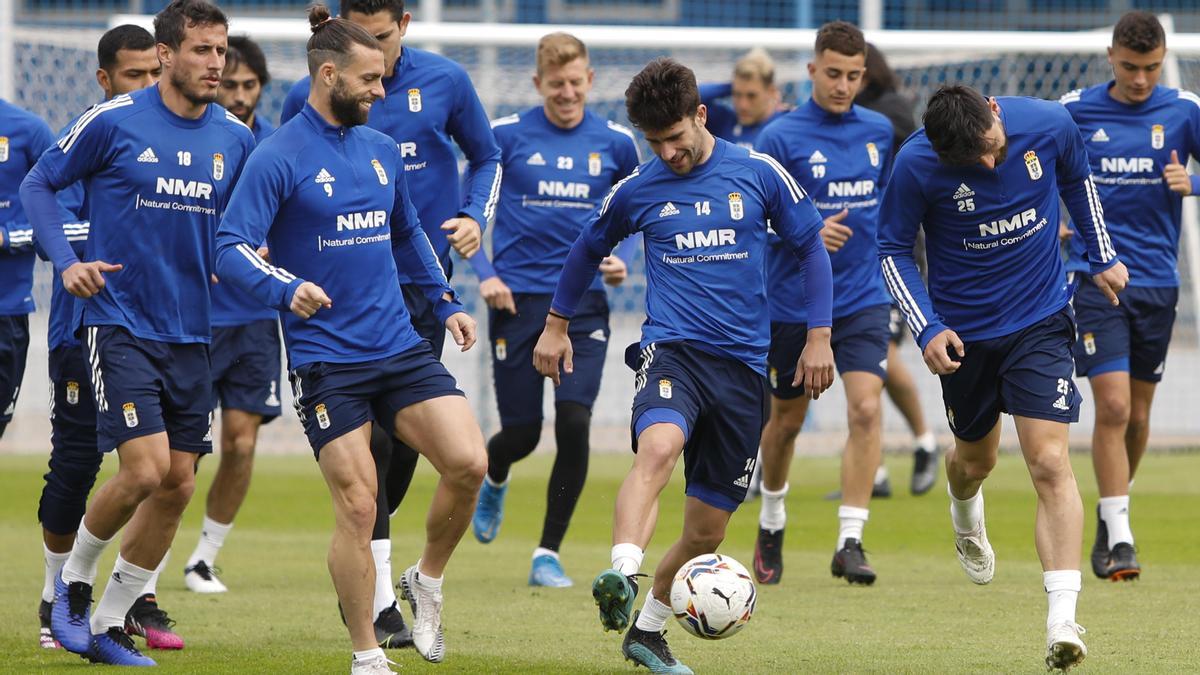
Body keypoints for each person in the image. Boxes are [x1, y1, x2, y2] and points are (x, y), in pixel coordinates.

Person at [534, 57, 835, 673]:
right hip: (673, 350)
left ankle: (647, 631)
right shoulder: (639, 189)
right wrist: (555, 326)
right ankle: (621, 572)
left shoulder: (757, 171)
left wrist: (818, 337)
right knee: (659, 448)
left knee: (707, 533)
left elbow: (808, 244)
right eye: (656, 142)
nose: (668, 152)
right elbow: (587, 246)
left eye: (676, 138)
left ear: (701, 115)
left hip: (745, 369)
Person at [214, 7, 487, 671]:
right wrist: (285, 289)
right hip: (326, 359)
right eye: (369, 79)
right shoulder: (279, 154)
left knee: (469, 462)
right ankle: (367, 653)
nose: (381, 91)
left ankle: (425, 577)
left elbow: (408, 233)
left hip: (397, 344)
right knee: (360, 503)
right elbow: (229, 246)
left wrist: (445, 300)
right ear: (329, 74)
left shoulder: (381, 148)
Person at [20, 0, 255, 665]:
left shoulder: (235, 139)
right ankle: (68, 590)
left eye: (222, 50)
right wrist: (67, 264)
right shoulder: (114, 121)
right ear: (164, 53)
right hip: (118, 320)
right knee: (145, 469)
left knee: (180, 482)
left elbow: (244, 228)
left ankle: (109, 623)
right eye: (203, 50)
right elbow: (40, 184)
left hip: (194, 332)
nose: (216, 63)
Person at [878, 84, 1128, 671]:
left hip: (1040, 318)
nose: (991, 163)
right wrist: (926, 327)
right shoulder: (915, 163)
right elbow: (890, 250)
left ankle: (1062, 620)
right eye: (975, 162)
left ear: (995, 111)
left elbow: (1078, 180)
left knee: (1048, 460)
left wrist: (1102, 252)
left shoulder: (1049, 123)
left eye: (995, 148)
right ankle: (964, 511)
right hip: (964, 337)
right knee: (975, 462)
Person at [280, 1, 500, 644]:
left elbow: (486, 158)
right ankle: (377, 607)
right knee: (366, 460)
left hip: (418, 292)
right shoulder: (307, 101)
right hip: (337, 305)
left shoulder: (446, 81)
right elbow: (279, 184)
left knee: (410, 449)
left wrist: (473, 217)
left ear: (404, 23)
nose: (378, 62)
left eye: (383, 39)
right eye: (362, 45)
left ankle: (403, 573)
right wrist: (278, 274)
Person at [466, 32, 641, 588]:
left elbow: (640, 213)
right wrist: (486, 277)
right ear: (538, 83)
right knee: (521, 434)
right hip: (516, 302)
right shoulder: (505, 137)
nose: (567, 93)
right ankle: (494, 478)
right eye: (556, 83)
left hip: (584, 304)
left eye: (576, 82)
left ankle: (548, 552)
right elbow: (467, 215)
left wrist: (623, 260)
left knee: (574, 420)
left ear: (590, 81)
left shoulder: (616, 144)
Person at [31, 24, 180, 653]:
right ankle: (54, 596)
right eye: (134, 74)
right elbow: (45, 202)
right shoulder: (97, 132)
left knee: (163, 470)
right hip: (82, 329)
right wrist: (81, 250)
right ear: (104, 79)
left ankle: (126, 601)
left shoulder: (178, 134)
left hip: (160, 331)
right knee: (76, 463)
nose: (148, 85)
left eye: (155, 71)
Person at [751, 21, 894, 587]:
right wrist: (801, 234)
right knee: (786, 421)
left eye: (853, 76)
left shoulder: (880, 131)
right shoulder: (779, 137)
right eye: (833, 73)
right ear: (812, 70)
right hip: (794, 304)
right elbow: (751, 219)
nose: (842, 85)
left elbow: (891, 206)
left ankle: (850, 540)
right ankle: (771, 519)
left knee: (864, 409)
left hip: (861, 297)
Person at [1059, 10, 1200, 582]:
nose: (1141, 79)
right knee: (1113, 406)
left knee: (1139, 415)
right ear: (1110, 58)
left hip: (1159, 284)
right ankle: (1121, 536)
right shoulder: (1074, 109)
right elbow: (1026, 169)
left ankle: (1109, 509)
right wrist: (1055, 220)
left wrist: (1194, 182)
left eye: (1150, 68)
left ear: (1162, 61)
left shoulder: (1185, 110)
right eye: (1130, 67)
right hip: (1095, 280)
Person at [184, 32, 280, 595]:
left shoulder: (276, 146)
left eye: (250, 85)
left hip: (255, 318)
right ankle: (144, 559)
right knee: (181, 456)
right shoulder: (199, 140)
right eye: (233, 85)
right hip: (195, 318)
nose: (240, 95)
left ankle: (203, 558)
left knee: (241, 442)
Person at [854, 41, 940, 496]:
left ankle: (925, 442)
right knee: (863, 370)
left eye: (851, 73)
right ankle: (877, 470)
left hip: (894, 251)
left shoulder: (889, 113)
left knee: (882, 355)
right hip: (851, 260)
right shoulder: (847, 115)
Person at [698, 47, 787, 148]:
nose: (743, 105)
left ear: (771, 91)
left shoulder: (785, 124)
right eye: (737, 94)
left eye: (751, 96)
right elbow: (693, 95)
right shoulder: (724, 121)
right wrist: (731, 86)